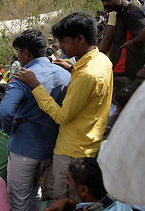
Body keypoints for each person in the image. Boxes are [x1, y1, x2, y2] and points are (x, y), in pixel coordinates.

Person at [15, 12, 113, 199]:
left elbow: (62, 116)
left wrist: (35, 85)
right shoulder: (102, 60)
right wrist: (72, 68)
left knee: (63, 199)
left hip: (71, 151)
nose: (60, 46)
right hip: (88, 143)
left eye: (64, 41)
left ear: (80, 39)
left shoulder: (87, 75)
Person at [0, 29, 71, 210]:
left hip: (24, 148)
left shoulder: (23, 76)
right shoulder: (65, 74)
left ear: (25, 53)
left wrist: (9, 128)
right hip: (52, 148)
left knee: (18, 200)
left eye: (18, 53)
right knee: (35, 187)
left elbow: (5, 112)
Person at [98, 0, 145, 80]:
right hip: (119, 67)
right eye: (103, 1)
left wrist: (132, 42)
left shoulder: (131, 12)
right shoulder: (120, 12)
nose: (105, 4)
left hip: (126, 70)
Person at [44, 158, 134, 211]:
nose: (66, 182)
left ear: (83, 190)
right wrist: (69, 202)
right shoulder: (118, 201)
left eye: (69, 179)